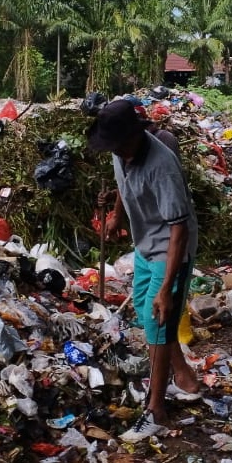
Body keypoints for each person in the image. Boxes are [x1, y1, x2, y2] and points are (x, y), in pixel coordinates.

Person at [90, 98, 201, 441]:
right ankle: (183, 375)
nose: (116, 151)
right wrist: (116, 215)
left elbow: (179, 230)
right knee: (144, 311)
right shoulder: (119, 150)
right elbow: (124, 182)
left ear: (136, 135)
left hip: (171, 251)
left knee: (158, 316)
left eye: (120, 145)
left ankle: (156, 409)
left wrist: (167, 288)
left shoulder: (162, 166)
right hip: (144, 244)